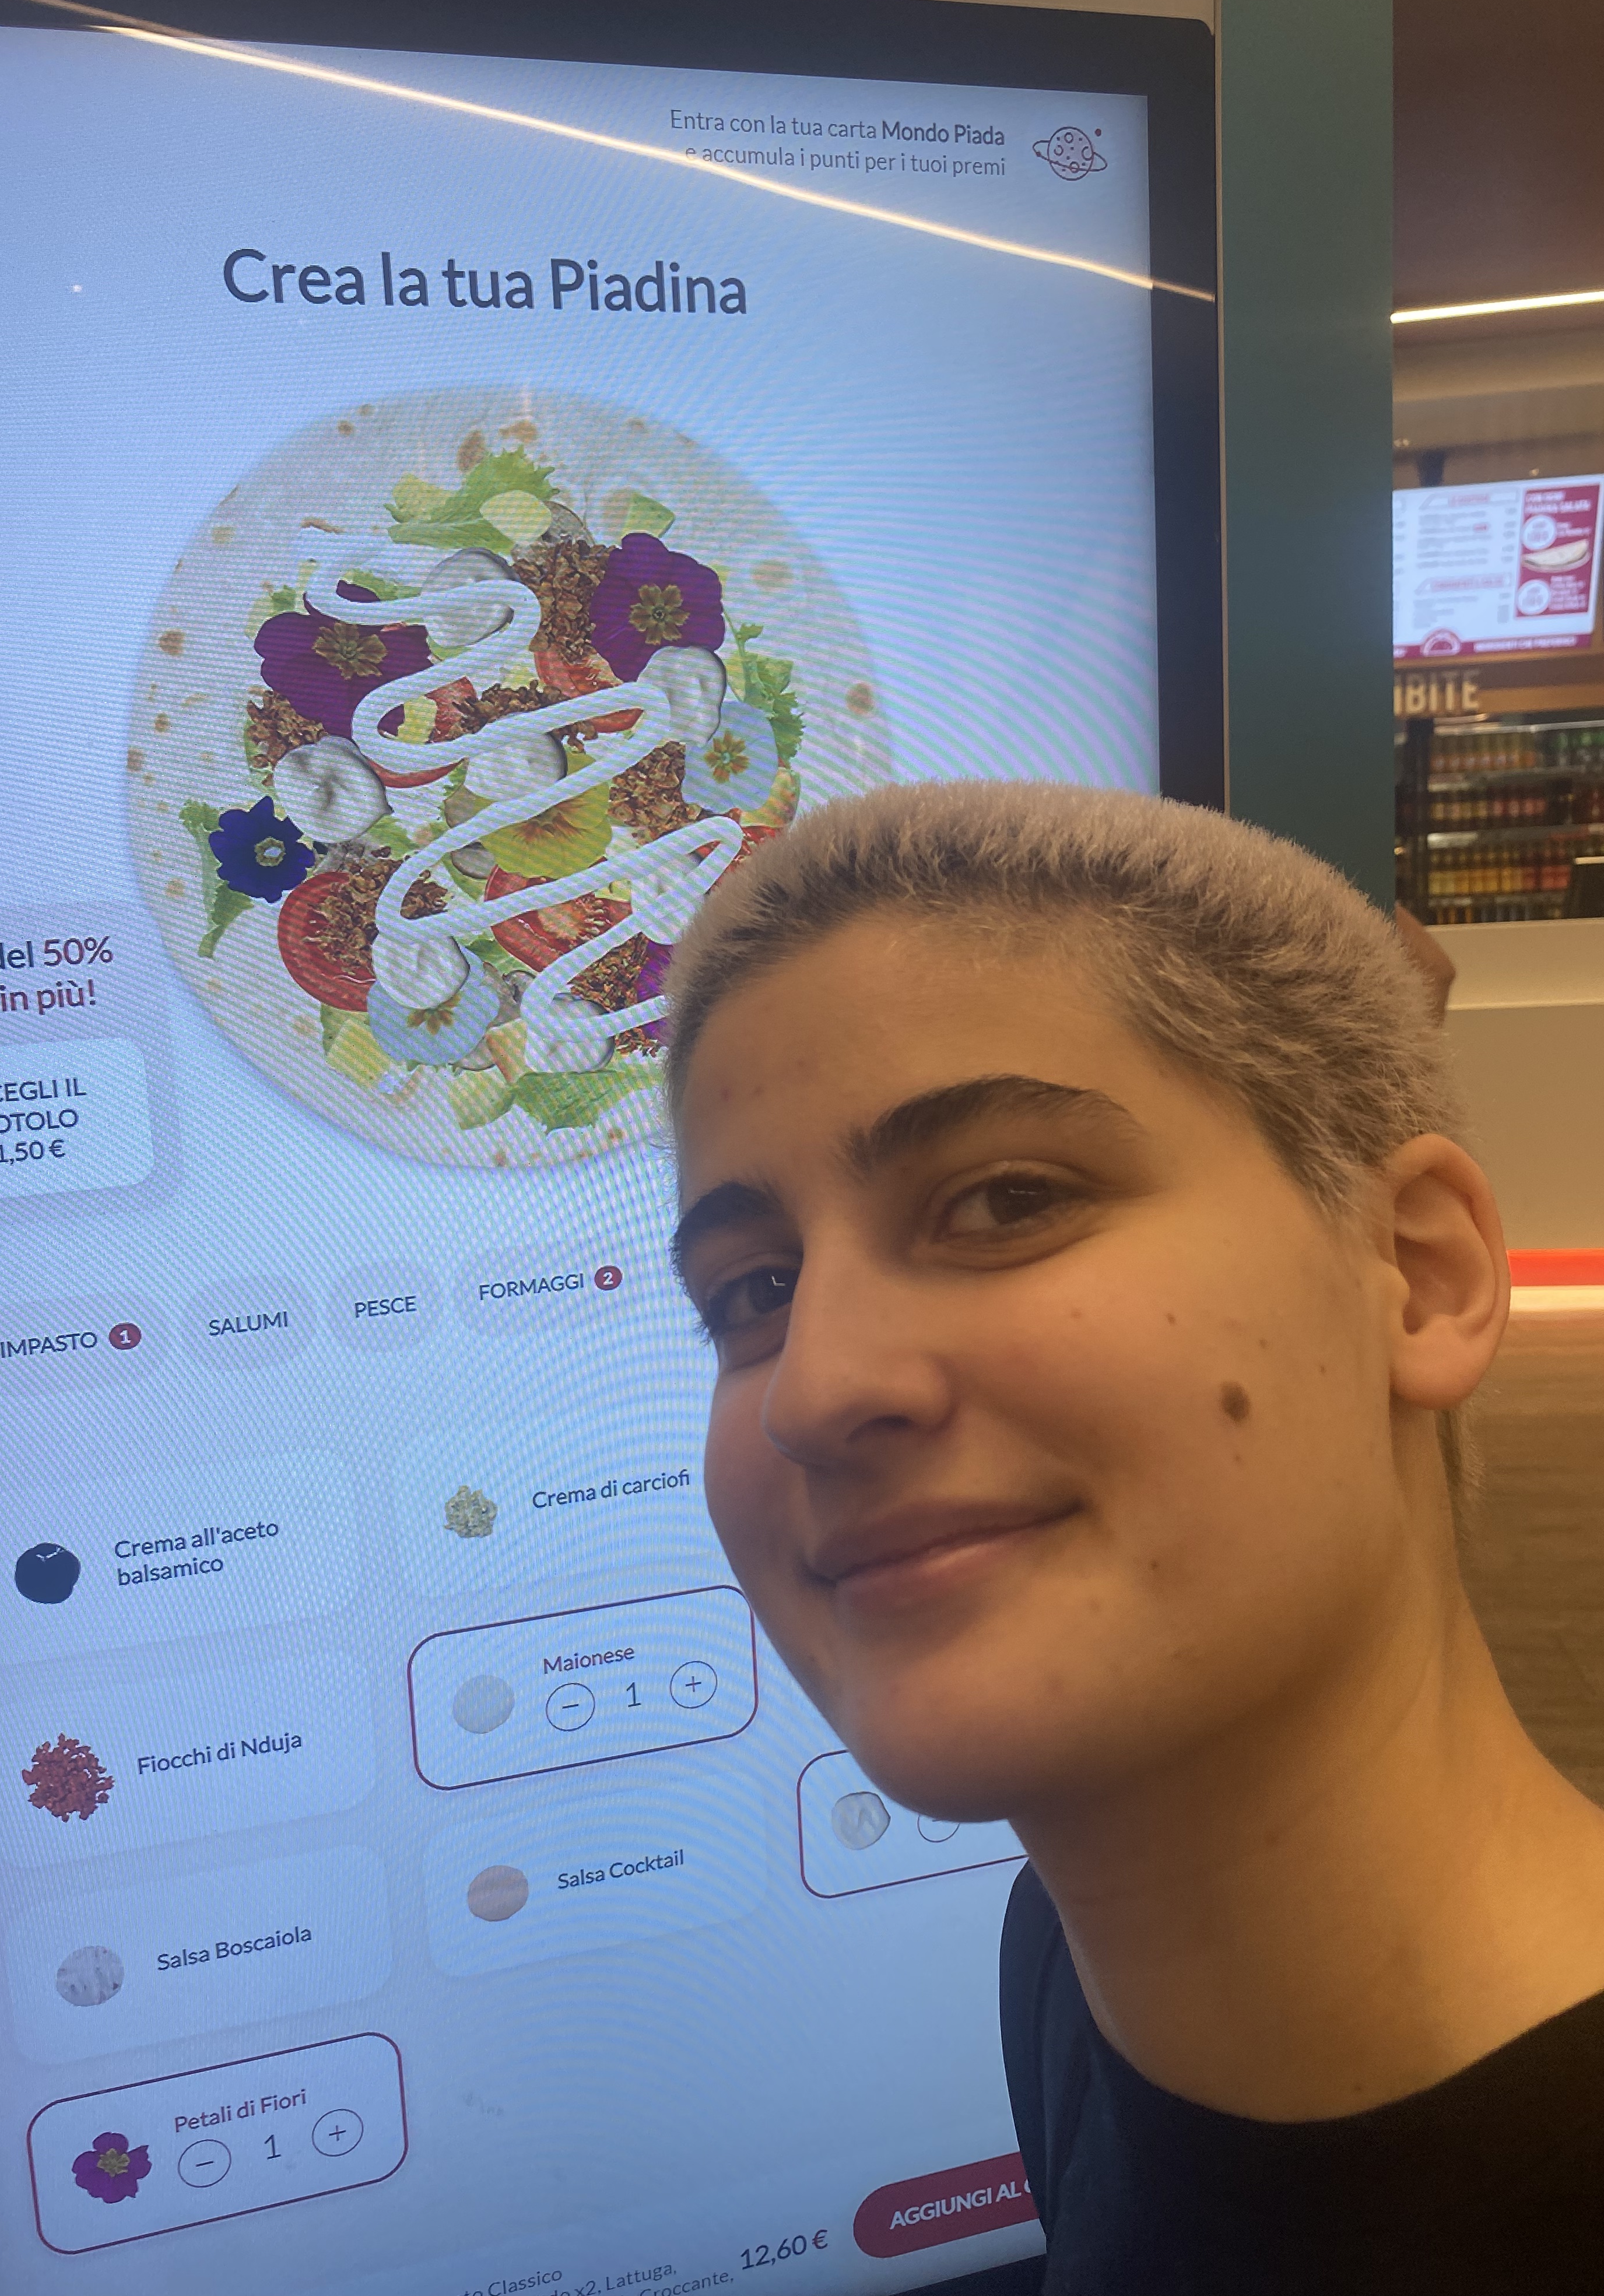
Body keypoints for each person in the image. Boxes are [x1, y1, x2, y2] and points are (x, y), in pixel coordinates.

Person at [662, 781, 1604, 2294]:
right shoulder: (1064, 1970)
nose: (816, 1390)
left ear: (1419, 1277)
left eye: (1005, 1201)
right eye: (754, 1292)